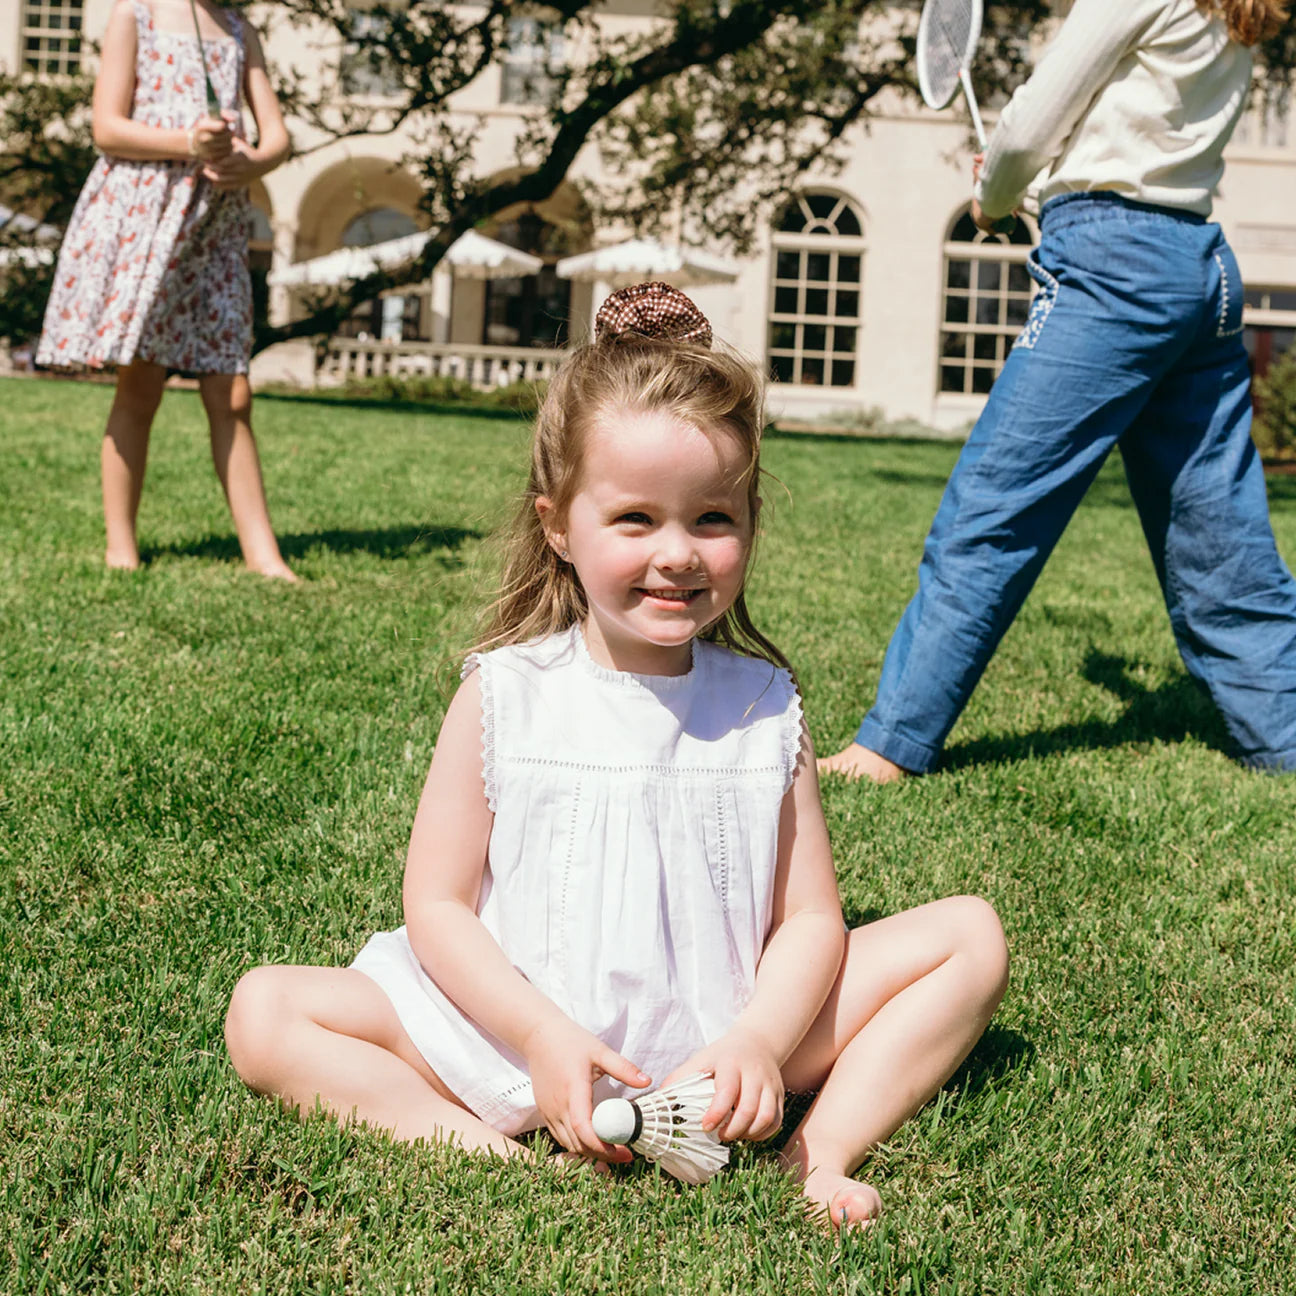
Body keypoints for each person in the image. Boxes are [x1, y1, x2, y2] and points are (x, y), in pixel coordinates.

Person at [223, 283, 1009, 1229]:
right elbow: (434, 904)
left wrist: (759, 1039)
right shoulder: (506, 693)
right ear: (559, 525)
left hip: (714, 1053)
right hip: (515, 1043)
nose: (677, 553)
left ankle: (818, 1149)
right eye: (635, 520)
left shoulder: (763, 705)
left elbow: (810, 920)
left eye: (711, 520)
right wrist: (540, 1034)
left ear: (749, 522)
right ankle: (497, 1159)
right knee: (264, 1010)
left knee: (970, 936)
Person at [821, 0, 1296, 783]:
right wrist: (1033, 190)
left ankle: (890, 745)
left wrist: (998, 194)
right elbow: (1137, 155)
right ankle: (1281, 738)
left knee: (991, 510)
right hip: (1199, 268)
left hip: (1113, 270)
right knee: (1221, 542)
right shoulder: (1237, 6)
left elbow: (1031, 122)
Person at [36, 0, 295, 580]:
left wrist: (248, 164)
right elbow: (107, 127)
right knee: (140, 384)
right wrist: (188, 142)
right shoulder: (137, 15)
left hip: (218, 229)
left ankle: (263, 554)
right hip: (151, 227)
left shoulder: (237, 29)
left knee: (232, 393)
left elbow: (278, 136)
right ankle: (120, 547)